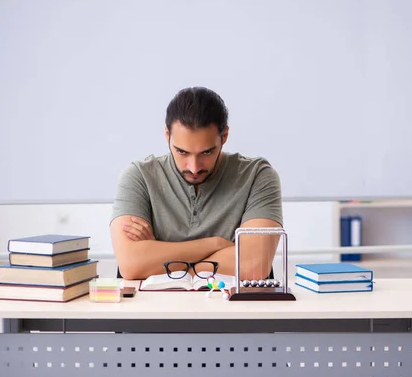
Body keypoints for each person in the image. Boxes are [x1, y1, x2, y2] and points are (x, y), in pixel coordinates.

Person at [109, 87, 283, 280]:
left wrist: (159, 258)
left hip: (230, 309)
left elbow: (253, 266)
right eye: (182, 152)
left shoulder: (257, 176)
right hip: (155, 308)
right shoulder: (138, 176)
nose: (193, 167)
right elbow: (132, 265)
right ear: (167, 136)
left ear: (224, 136)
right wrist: (216, 244)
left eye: (206, 152)